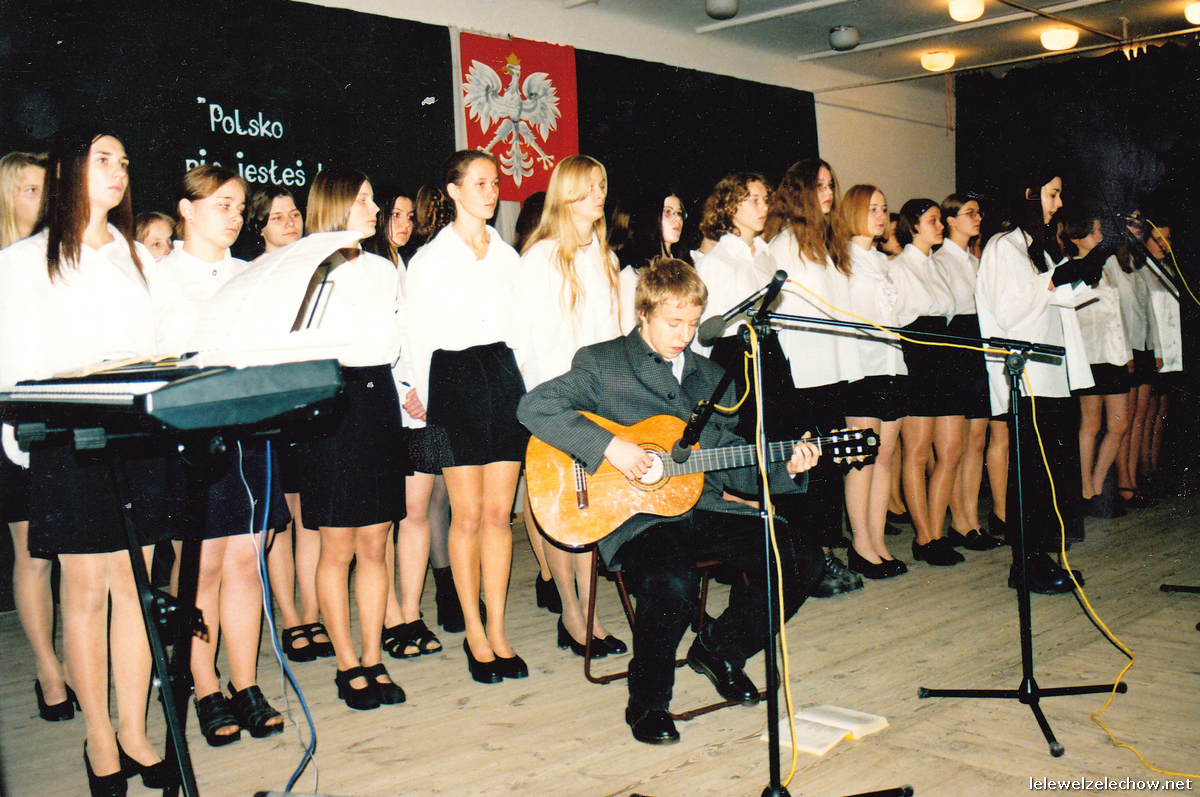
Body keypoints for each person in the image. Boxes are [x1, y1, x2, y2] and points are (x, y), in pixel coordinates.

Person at [518, 258, 824, 744]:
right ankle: (648, 700)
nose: (684, 335)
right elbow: (535, 406)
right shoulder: (603, 363)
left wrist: (786, 467)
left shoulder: (712, 377)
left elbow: (728, 462)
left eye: (693, 324)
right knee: (673, 579)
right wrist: (610, 446)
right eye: (673, 322)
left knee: (802, 557)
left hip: (704, 506)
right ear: (644, 313)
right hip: (636, 517)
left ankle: (720, 648)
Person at [0, 125, 178, 796]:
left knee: (135, 585)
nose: (118, 170)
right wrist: (20, 440)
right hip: (67, 433)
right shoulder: (24, 261)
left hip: (136, 433)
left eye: (124, 161)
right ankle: (98, 736)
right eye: (103, 159)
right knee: (84, 589)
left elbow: (160, 344)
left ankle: (134, 729)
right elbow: (12, 359)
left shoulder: (137, 257)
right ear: (68, 169)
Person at [153, 164, 290, 744]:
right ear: (187, 209)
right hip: (193, 433)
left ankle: (245, 681)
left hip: (247, 430)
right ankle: (205, 684)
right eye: (222, 205)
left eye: (239, 207)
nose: (235, 217)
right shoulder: (158, 276)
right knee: (203, 564)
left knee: (246, 560)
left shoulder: (250, 274)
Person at [406, 150, 528, 684]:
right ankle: (474, 634)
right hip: (451, 380)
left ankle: (498, 630)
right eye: (479, 183)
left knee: (500, 516)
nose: (490, 191)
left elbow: (523, 328)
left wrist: (524, 387)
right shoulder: (429, 259)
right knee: (468, 515)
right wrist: (419, 392)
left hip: (502, 376)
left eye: (494, 183)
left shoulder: (507, 256)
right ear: (453, 191)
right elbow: (415, 332)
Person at [293, 167, 407, 709]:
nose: (375, 209)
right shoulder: (306, 270)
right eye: (364, 199)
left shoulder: (384, 269)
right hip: (331, 405)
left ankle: (373, 656)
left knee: (376, 543)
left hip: (378, 399)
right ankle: (346, 664)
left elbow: (396, 342)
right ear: (336, 204)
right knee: (337, 546)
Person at [516, 155, 625, 659]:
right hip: (558, 398)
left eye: (602, 185)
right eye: (589, 186)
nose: (599, 194)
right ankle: (570, 612)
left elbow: (615, 333)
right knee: (564, 508)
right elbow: (526, 341)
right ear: (566, 194)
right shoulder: (539, 258)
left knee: (592, 507)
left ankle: (593, 612)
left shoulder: (605, 256)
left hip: (601, 398)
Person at [975, 168, 1098, 594]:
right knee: (1031, 475)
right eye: (1052, 194)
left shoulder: (1039, 248)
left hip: (1052, 376)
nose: (1058, 204)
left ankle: (1042, 557)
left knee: (1052, 475)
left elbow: (1058, 299)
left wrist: (1079, 274)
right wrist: (1052, 279)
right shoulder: (1003, 246)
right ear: (1030, 194)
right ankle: (1026, 564)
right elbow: (1009, 312)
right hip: (1026, 378)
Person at [0, 150, 72, 725]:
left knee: (76, 552)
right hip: (9, 423)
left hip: (63, 416)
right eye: (29, 189)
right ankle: (49, 671)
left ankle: (80, 664)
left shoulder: (62, 262)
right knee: (33, 554)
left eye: (46, 189)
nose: (42, 199)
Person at [769, 157, 864, 591]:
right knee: (807, 473)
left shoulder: (828, 243)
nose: (828, 193)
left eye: (831, 185)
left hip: (832, 373)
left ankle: (824, 555)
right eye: (819, 186)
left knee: (827, 471)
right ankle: (808, 562)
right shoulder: (785, 245)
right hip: (803, 376)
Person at [244, 185, 328, 663]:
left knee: (310, 516)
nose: (291, 222)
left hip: (311, 408)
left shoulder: (319, 272)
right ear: (259, 227)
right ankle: (291, 617)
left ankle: (312, 612)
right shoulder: (250, 276)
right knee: (278, 521)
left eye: (295, 213)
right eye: (278, 217)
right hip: (272, 410)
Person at [890, 199, 966, 567]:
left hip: (947, 358)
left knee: (951, 450)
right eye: (933, 220)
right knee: (917, 452)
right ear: (913, 227)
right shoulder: (897, 267)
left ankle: (937, 531)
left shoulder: (939, 265)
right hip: (917, 360)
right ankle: (923, 535)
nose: (940, 226)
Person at [837, 184, 907, 578]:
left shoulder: (883, 261)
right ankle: (860, 543)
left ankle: (878, 542)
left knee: (884, 457)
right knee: (861, 458)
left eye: (884, 208)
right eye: (872, 209)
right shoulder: (841, 260)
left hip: (891, 365)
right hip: (860, 368)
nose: (881, 216)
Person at [935, 195, 1005, 550]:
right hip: (956, 352)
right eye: (969, 213)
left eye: (979, 212)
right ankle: (959, 521)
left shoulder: (976, 261)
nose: (978, 218)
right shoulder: (940, 261)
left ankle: (972, 520)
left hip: (979, 350)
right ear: (950, 220)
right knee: (957, 444)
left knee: (977, 439)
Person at [1057, 211, 1130, 518]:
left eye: (1100, 231)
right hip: (1089, 355)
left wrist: (1126, 351)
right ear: (1076, 238)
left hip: (1113, 355)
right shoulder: (1068, 269)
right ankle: (1086, 490)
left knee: (1119, 424)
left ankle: (1097, 485)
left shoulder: (1108, 265)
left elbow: (1117, 312)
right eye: (1094, 232)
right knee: (1091, 424)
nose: (1100, 236)